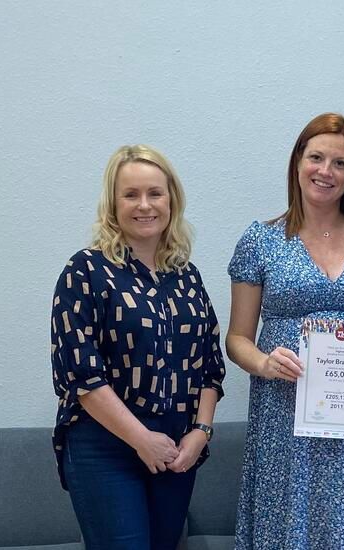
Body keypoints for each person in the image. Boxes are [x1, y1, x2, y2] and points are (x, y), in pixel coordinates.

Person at [226, 112, 344, 549]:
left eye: (340, 163)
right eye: (316, 157)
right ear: (297, 163)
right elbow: (236, 339)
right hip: (283, 417)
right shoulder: (261, 239)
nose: (326, 171)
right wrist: (265, 363)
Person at [50, 144, 226, 550]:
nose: (144, 205)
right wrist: (140, 438)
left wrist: (200, 434)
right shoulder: (85, 271)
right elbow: (81, 374)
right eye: (130, 195)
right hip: (104, 447)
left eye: (155, 193)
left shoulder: (187, 276)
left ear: (172, 200)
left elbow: (210, 366)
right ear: (113, 203)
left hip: (175, 450)